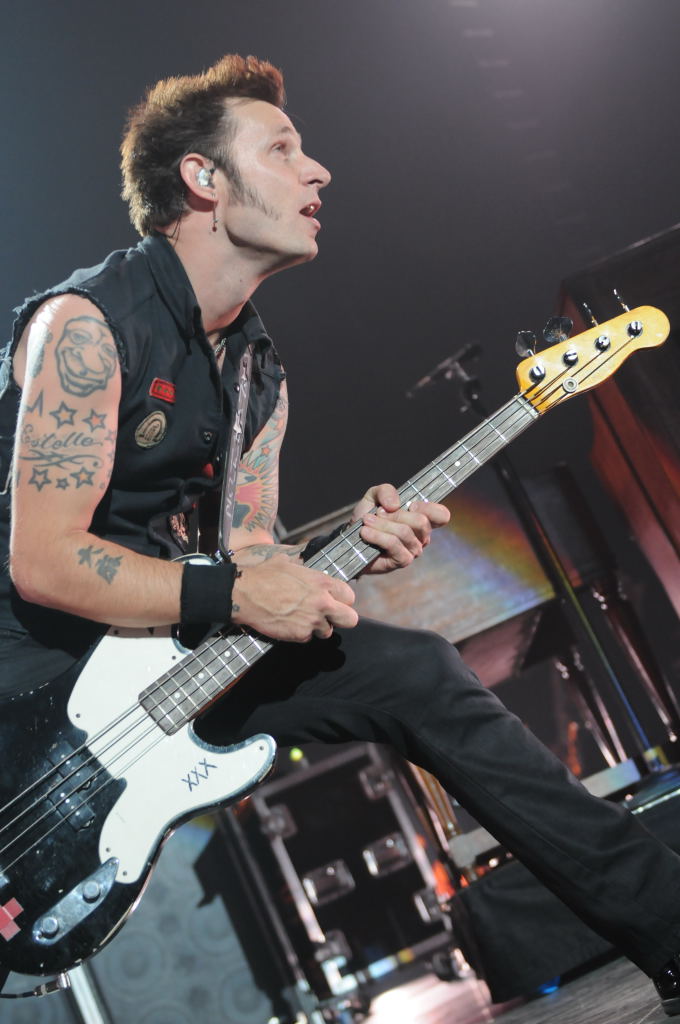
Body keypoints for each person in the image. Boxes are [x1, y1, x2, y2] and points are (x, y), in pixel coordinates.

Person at [2, 54, 680, 1016]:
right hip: (30, 698)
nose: (317, 170)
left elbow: (249, 560)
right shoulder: (89, 325)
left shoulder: (259, 374)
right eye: (281, 148)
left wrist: (347, 549)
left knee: (414, 672)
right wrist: (240, 589)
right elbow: (43, 561)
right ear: (202, 177)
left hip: (169, 656)